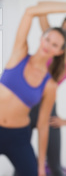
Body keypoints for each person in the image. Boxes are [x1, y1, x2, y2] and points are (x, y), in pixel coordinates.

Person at [0, 2, 66, 176]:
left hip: (18, 138)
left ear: (59, 51)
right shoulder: (19, 54)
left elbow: (43, 126)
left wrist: (40, 169)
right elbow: (31, 11)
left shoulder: (49, 84)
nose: (49, 45)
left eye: (55, 45)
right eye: (48, 39)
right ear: (42, 37)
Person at [15, 12, 66, 176]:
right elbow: (40, 7)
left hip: (49, 108)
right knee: (20, 165)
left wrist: (65, 121)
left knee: (55, 166)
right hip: (28, 105)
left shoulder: (61, 55)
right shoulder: (51, 44)